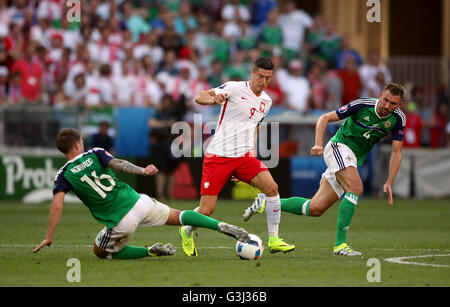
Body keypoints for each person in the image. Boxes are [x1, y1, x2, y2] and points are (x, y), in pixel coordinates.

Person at [33, 129, 250, 259]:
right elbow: (118, 164)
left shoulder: (63, 175)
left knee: (100, 251)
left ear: (64, 150)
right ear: (79, 144)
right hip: (139, 201)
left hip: (121, 220)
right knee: (180, 216)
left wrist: (49, 236)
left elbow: (57, 206)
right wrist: (142, 170)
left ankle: (150, 251)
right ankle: (219, 225)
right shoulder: (95, 152)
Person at [243, 83, 406, 256]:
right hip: (339, 147)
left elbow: (396, 152)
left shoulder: (398, 119)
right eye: (385, 100)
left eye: (393, 104)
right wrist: (318, 144)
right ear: (381, 95)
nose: (387, 106)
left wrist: (389, 181)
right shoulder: (362, 105)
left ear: (399, 105)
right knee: (356, 188)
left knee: (315, 208)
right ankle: (340, 245)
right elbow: (324, 118)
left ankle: (266, 202)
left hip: (352, 159)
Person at [179, 57, 295, 256]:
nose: (264, 81)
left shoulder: (266, 102)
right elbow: (200, 97)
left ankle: (274, 239)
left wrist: (252, 154)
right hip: (219, 156)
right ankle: (186, 230)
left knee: (272, 188)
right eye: (260, 76)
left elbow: (255, 127)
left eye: (268, 78)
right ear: (252, 73)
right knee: (206, 210)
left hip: (244, 157)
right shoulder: (233, 88)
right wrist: (212, 99)